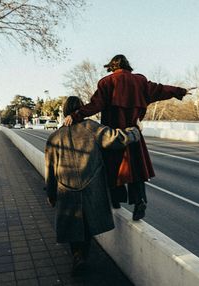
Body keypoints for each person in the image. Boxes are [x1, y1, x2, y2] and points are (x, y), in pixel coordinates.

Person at [64, 54, 195, 221]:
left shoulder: (106, 82)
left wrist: (76, 115)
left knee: (112, 166)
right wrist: (180, 91)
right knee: (136, 169)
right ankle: (139, 202)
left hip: (112, 133)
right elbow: (161, 90)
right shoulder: (140, 81)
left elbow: (95, 105)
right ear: (127, 66)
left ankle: (116, 199)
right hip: (133, 131)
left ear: (111, 67)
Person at [45, 96, 140, 275]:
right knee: (87, 225)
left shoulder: (55, 137)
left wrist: (51, 193)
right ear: (81, 109)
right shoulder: (90, 127)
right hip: (92, 187)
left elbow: (49, 169)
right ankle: (82, 255)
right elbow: (115, 139)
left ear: (65, 112)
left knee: (73, 225)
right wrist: (134, 131)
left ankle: (78, 255)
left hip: (66, 188)